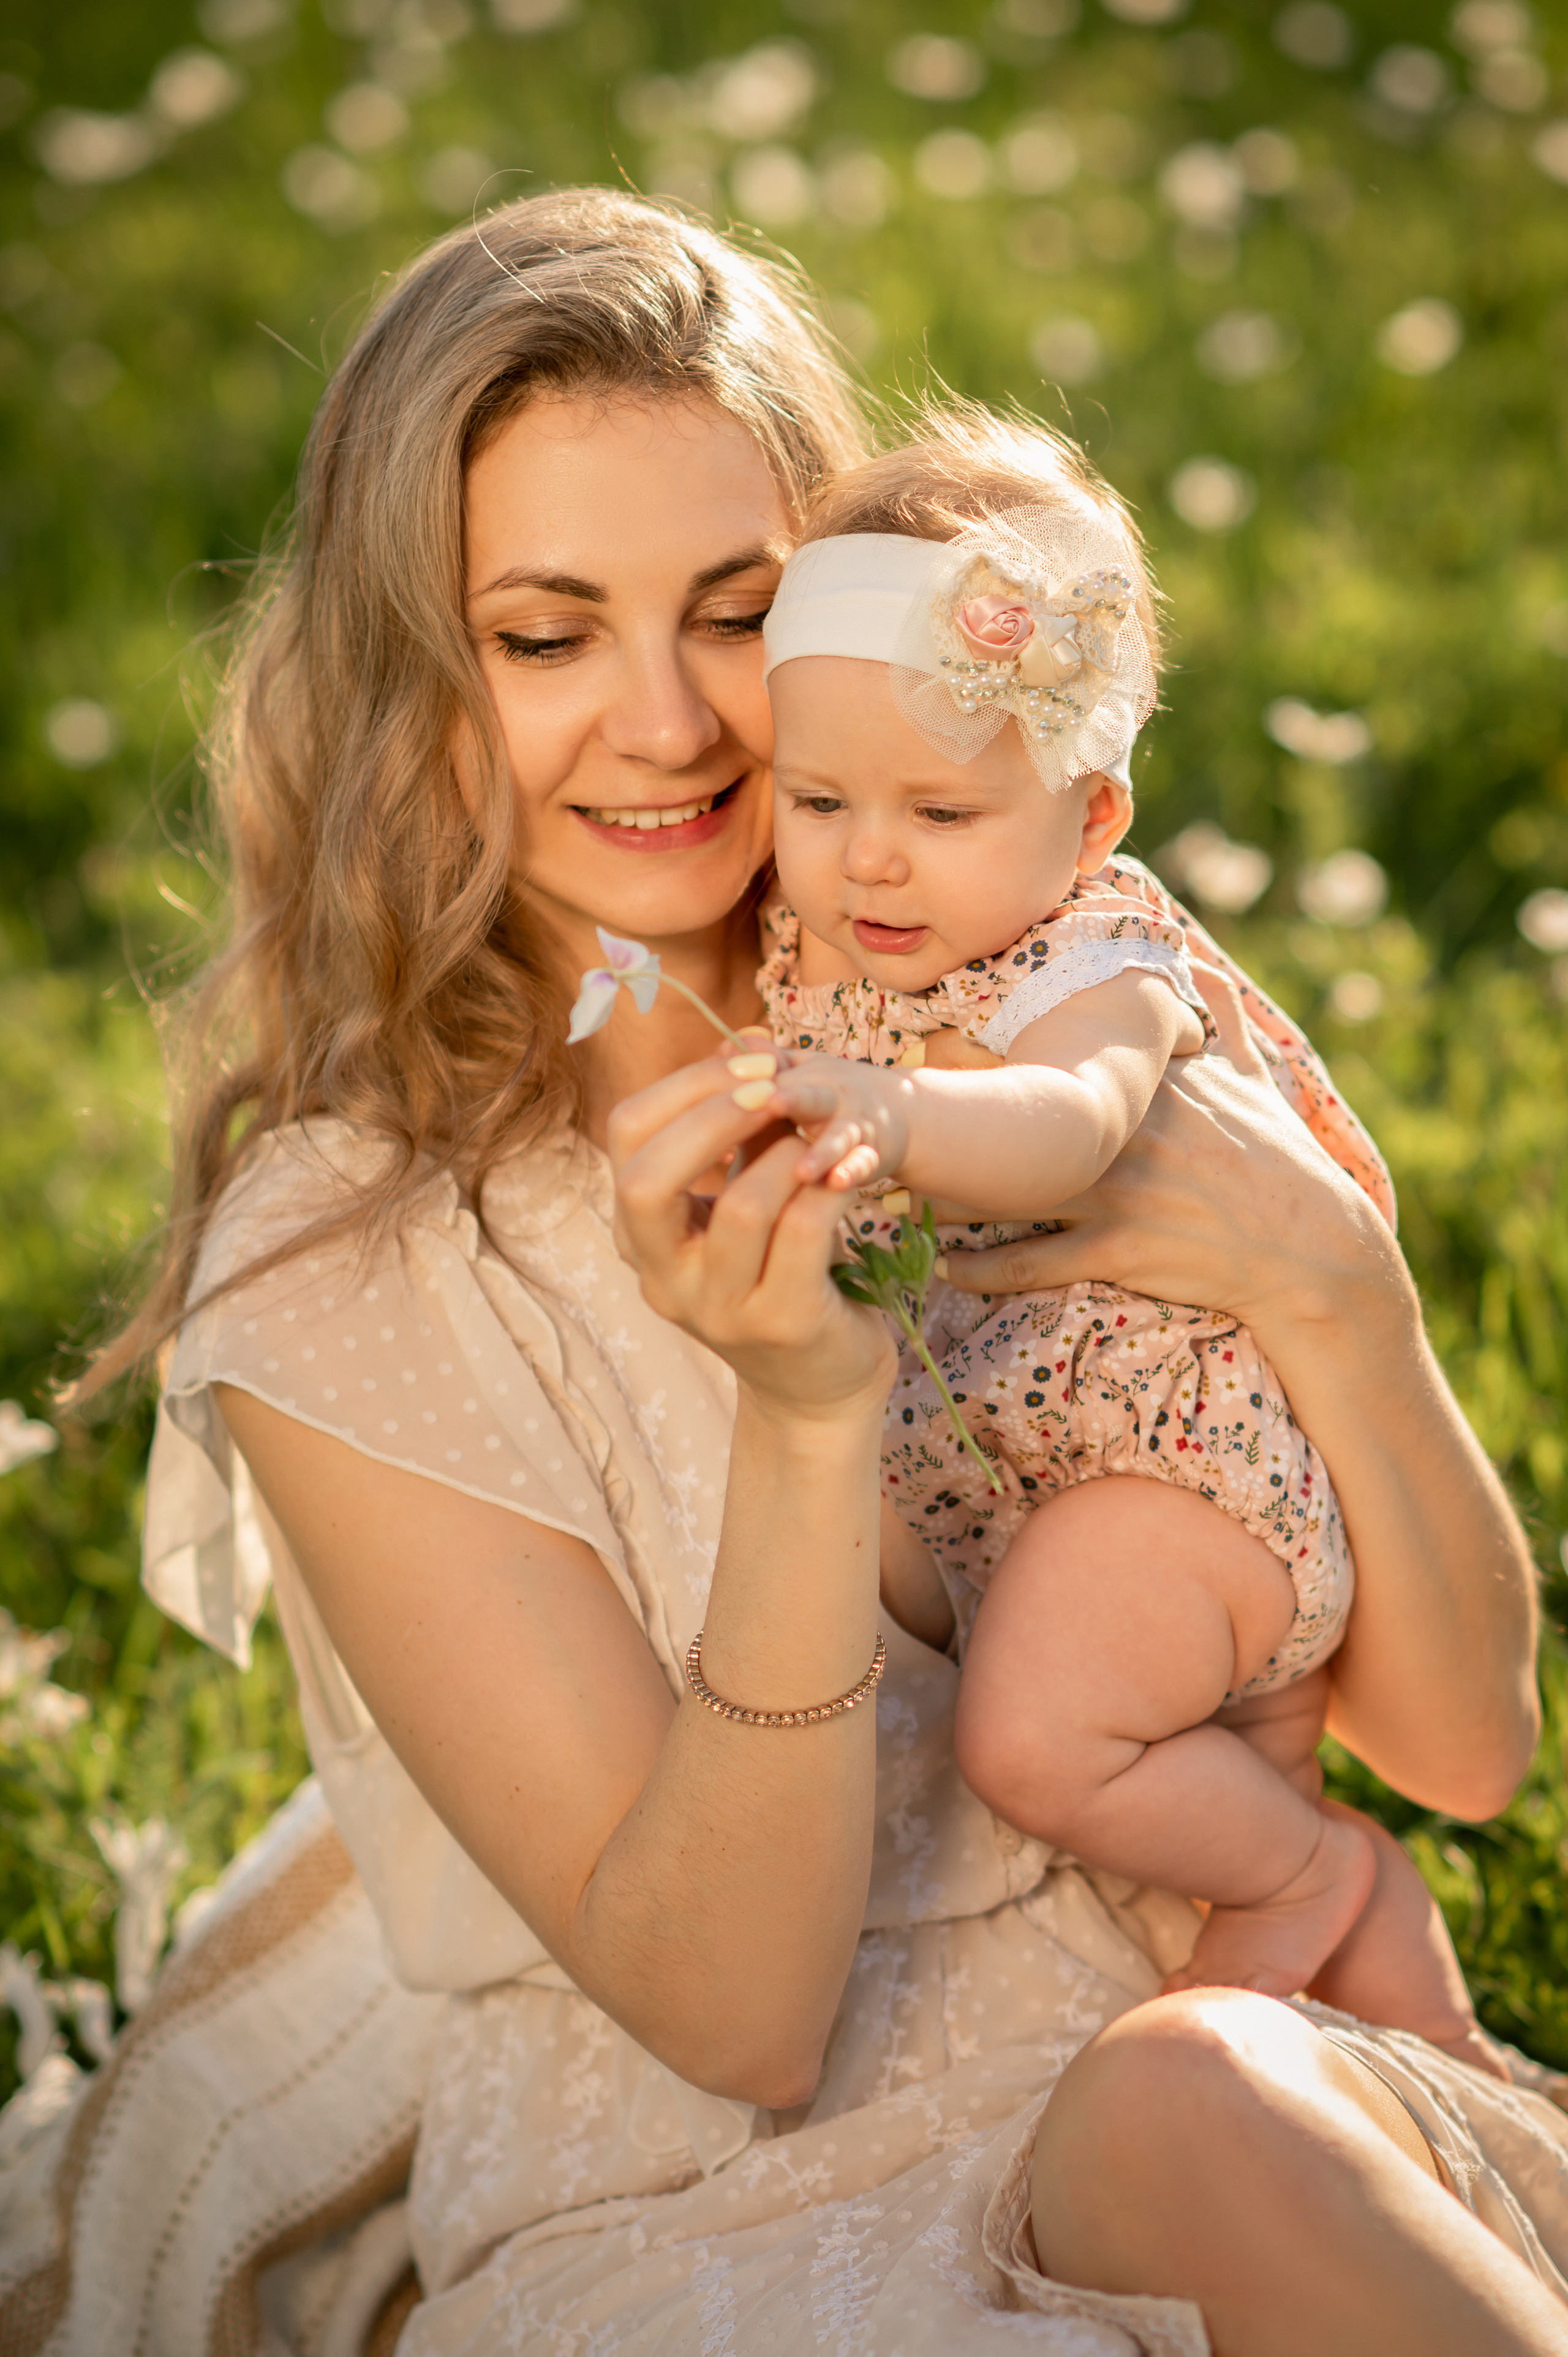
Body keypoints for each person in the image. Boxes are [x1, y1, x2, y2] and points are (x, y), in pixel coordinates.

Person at [28, 190, 1568, 2353]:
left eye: (731, 615)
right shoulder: (356, 1247)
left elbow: (1469, 1751)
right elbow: (735, 2020)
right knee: (1192, 2108)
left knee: (1198, 2098)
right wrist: (805, 1414)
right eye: (545, 635)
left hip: (1230, 2045)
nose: (664, 726)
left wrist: (1339, 1295)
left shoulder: (990, 977)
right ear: (415, 673)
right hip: (710, 2206)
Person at [745, 409, 1499, 2063]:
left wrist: (896, 1122)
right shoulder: (839, 947)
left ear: (1090, 823)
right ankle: (1455, 2080)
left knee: (1037, 1742)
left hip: (1180, 1470)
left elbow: (1074, 1125)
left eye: (940, 814)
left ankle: (1316, 1872)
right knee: (1215, 1798)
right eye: (815, 797)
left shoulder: (1097, 956)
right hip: (1054, 1474)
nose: (869, 853)